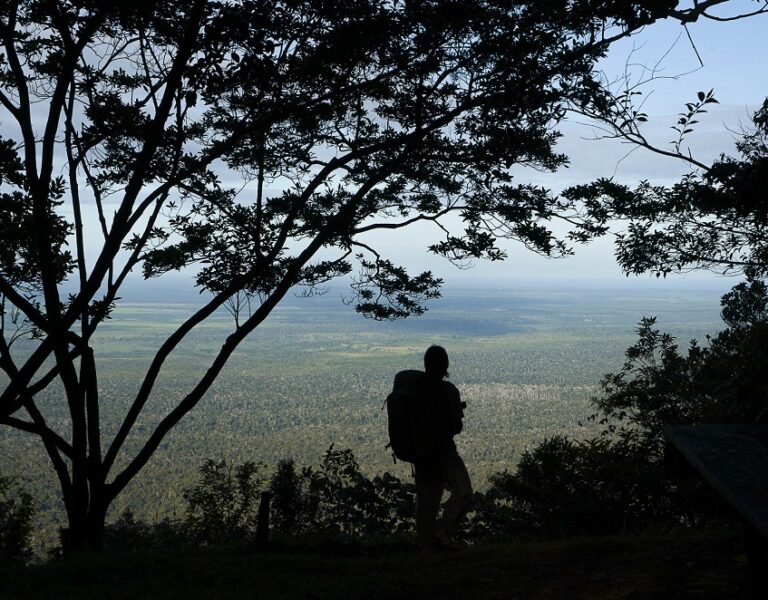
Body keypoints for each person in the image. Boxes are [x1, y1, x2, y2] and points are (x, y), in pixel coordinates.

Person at [405, 345, 473, 548]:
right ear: (445, 366)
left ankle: (425, 542)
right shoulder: (448, 391)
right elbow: (456, 427)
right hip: (444, 454)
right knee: (464, 493)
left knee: (427, 501)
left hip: (421, 455)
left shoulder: (414, 389)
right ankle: (441, 531)